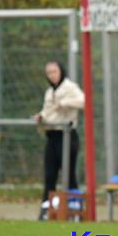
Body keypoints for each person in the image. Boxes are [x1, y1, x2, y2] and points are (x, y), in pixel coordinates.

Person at [35, 61, 84, 221]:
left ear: (61, 71)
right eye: (48, 72)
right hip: (52, 135)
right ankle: (46, 209)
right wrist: (41, 116)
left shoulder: (70, 87)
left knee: (68, 174)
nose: (52, 75)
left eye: (54, 71)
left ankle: (74, 210)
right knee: (50, 174)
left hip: (67, 134)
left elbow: (83, 101)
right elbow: (48, 110)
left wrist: (65, 103)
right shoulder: (49, 92)